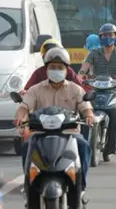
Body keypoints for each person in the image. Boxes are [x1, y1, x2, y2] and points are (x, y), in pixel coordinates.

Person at [13, 47, 94, 197]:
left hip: (69, 134)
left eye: (60, 67)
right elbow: (24, 107)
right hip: (40, 134)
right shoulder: (35, 89)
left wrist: (89, 115)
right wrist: (20, 117)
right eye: (52, 67)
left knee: (83, 145)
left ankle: (80, 187)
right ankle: (29, 184)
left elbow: (86, 108)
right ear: (46, 70)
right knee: (26, 146)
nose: (56, 70)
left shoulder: (76, 90)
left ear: (66, 70)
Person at [78, 23, 116, 151]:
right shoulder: (93, 54)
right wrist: (80, 78)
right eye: (104, 35)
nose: (107, 37)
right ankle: (83, 137)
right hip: (97, 90)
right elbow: (83, 70)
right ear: (100, 37)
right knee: (82, 106)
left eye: (110, 35)